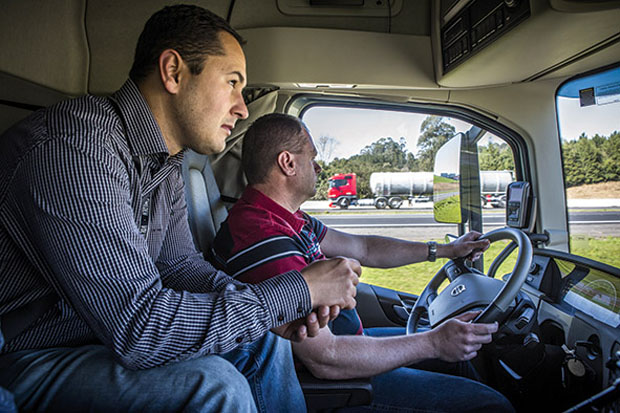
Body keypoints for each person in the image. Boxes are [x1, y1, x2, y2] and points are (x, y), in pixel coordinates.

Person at [0, 5, 361, 412]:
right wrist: (296, 289)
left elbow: (179, 267)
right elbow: (138, 329)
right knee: (215, 386)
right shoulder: (77, 148)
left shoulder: (165, 163)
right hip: (29, 354)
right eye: (232, 83)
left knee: (262, 339)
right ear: (173, 71)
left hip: (90, 339)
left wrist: (267, 307)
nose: (242, 108)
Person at [212, 112, 516, 412]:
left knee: (464, 358)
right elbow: (324, 358)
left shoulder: (290, 219)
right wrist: (435, 343)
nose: (318, 166)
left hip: (348, 342)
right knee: (491, 405)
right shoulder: (261, 235)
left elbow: (364, 248)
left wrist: (446, 251)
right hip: (329, 379)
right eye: (311, 157)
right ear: (287, 163)